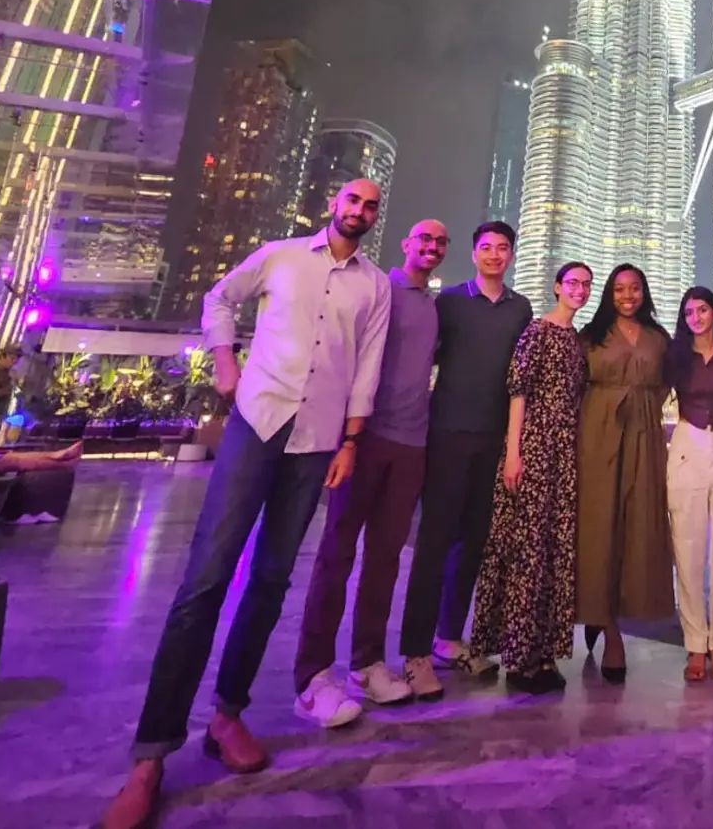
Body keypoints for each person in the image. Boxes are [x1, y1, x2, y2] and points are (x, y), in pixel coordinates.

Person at [100, 179, 391, 829]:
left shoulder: (374, 286)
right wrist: (224, 365)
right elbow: (219, 299)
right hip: (255, 424)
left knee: (269, 583)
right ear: (335, 205)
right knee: (204, 582)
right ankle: (150, 758)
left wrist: (350, 439)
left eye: (371, 205)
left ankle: (227, 716)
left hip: (317, 442)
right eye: (353, 200)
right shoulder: (280, 255)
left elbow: (366, 365)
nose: (360, 211)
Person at [291, 219, 448, 726]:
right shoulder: (381, 287)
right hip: (365, 436)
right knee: (336, 552)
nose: (430, 247)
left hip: (413, 443)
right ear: (406, 244)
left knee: (384, 558)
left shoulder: (435, 307)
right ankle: (312, 675)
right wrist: (345, 433)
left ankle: (367, 663)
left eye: (440, 242)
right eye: (423, 238)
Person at [398, 221, 532, 698]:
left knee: (472, 543)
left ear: (511, 255)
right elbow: (421, 357)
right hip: (447, 433)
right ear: (474, 254)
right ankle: (414, 652)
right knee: (433, 543)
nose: (495, 255)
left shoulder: (521, 308)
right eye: (486, 248)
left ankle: (448, 638)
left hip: (493, 439)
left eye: (502, 248)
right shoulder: (450, 301)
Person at [471, 262, 593, 693]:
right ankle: (519, 656)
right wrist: (514, 452)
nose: (578, 289)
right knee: (525, 549)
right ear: (557, 287)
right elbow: (518, 391)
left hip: (564, 455)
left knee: (552, 551)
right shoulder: (537, 330)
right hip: (534, 448)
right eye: (572, 283)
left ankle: (543, 652)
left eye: (585, 284)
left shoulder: (578, 342)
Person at [576, 263, 673, 683]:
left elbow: (670, 382)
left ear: (644, 292)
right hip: (597, 431)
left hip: (645, 434)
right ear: (608, 294)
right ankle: (606, 625)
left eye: (634, 288)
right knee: (599, 527)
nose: (627, 295)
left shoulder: (660, 338)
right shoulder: (590, 336)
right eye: (619, 289)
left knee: (638, 527)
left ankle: (615, 612)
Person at [663, 286, 713, 683]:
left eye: (702, 310)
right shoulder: (675, 357)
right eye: (689, 312)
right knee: (688, 547)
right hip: (686, 445)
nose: (695, 317)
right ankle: (695, 643)